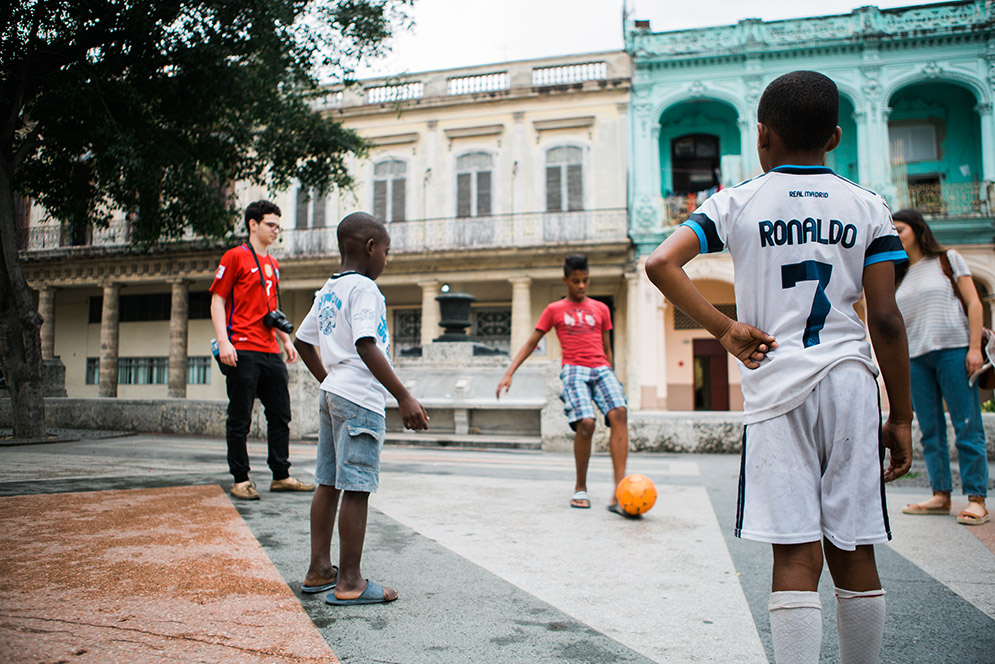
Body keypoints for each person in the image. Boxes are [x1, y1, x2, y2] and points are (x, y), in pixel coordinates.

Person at [644, 71, 913, 663]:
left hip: (775, 384)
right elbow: (888, 320)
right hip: (849, 379)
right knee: (855, 546)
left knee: (794, 553)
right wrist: (902, 416)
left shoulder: (737, 200)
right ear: (837, 137)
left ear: (761, 135)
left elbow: (661, 264)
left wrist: (726, 328)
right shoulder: (868, 207)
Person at [294, 212, 429, 605]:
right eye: (386, 251)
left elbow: (303, 341)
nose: (386, 259)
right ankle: (349, 582)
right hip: (358, 400)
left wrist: (328, 380)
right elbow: (367, 344)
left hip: (334, 394)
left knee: (329, 482)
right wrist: (404, 396)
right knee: (357, 487)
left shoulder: (329, 289)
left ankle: (320, 569)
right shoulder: (365, 289)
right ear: (371, 248)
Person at [497, 254, 629, 514]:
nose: (581, 286)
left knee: (620, 413)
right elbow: (532, 342)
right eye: (576, 281)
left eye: (585, 281)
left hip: (601, 367)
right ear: (565, 280)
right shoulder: (554, 310)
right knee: (586, 423)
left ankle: (619, 491)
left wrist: (611, 373)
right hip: (573, 369)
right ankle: (580, 487)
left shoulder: (601, 309)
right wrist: (509, 372)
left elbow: (607, 347)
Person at [210, 200, 315, 500]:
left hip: (270, 350)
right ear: (253, 224)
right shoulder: (235, 257)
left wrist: (285, 341)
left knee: (281, 414)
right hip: (241, 348)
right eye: (271, 225)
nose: (276, 231)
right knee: (240, 417)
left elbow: (272, 308)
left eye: (279, 227)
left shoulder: (273, 264)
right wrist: (224, 341)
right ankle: (240, 479)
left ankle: (280, 475)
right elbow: (217, 300)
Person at [892, 208, 989, 526]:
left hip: (954, 350)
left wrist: (974, 347)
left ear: (918, 229)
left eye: (901, 229)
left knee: (966, 425)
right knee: (929, 431)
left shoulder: (948, 259)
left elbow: (974, 302)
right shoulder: (900, 274)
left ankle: (976, 498)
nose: (896, 235)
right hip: (916, 359)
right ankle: (940, 494)